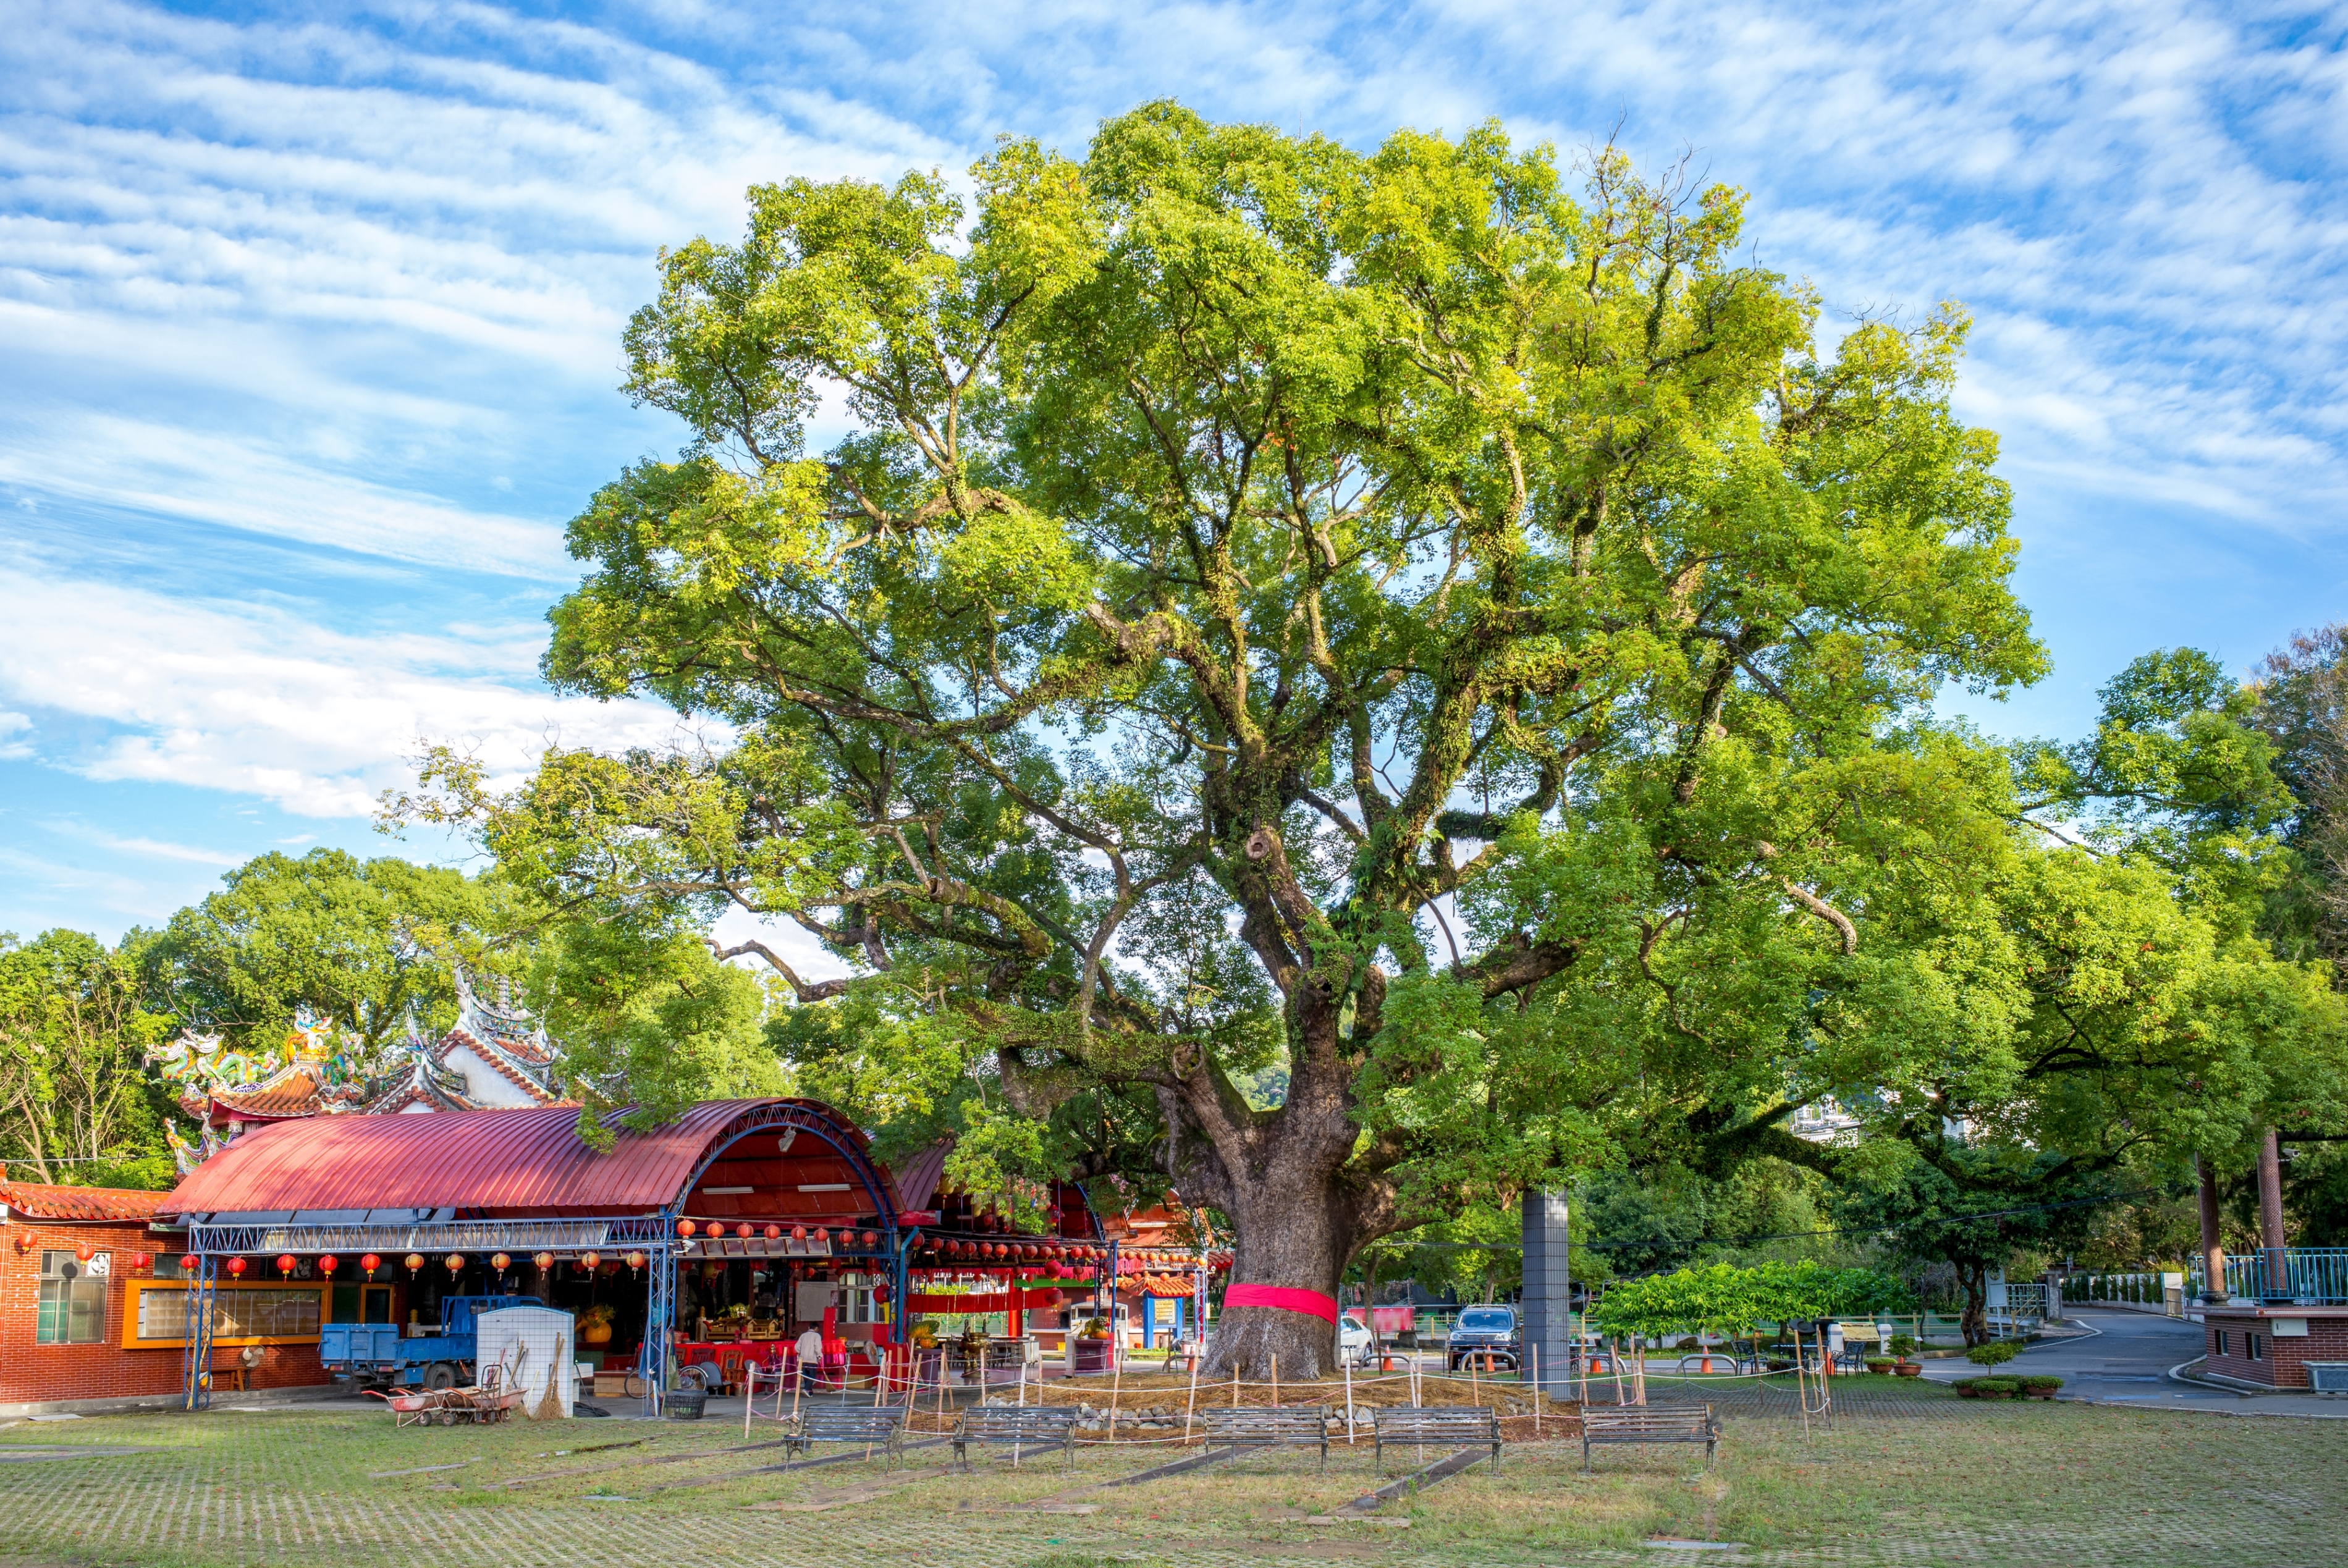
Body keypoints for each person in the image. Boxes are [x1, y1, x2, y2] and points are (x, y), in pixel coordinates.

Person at [793, 1323, 824, 1394]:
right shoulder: (817, 1336)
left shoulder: (803, 1336)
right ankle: (806, 1389)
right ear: (816, 1328)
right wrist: (819, 1356)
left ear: (809, 1327)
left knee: (806, 1376)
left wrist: (800, 1353)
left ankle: (809, 1392)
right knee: (812, 1376)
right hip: (812, 1360)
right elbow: (818, 1347)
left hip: (802, 1360)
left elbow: (796, 1347)